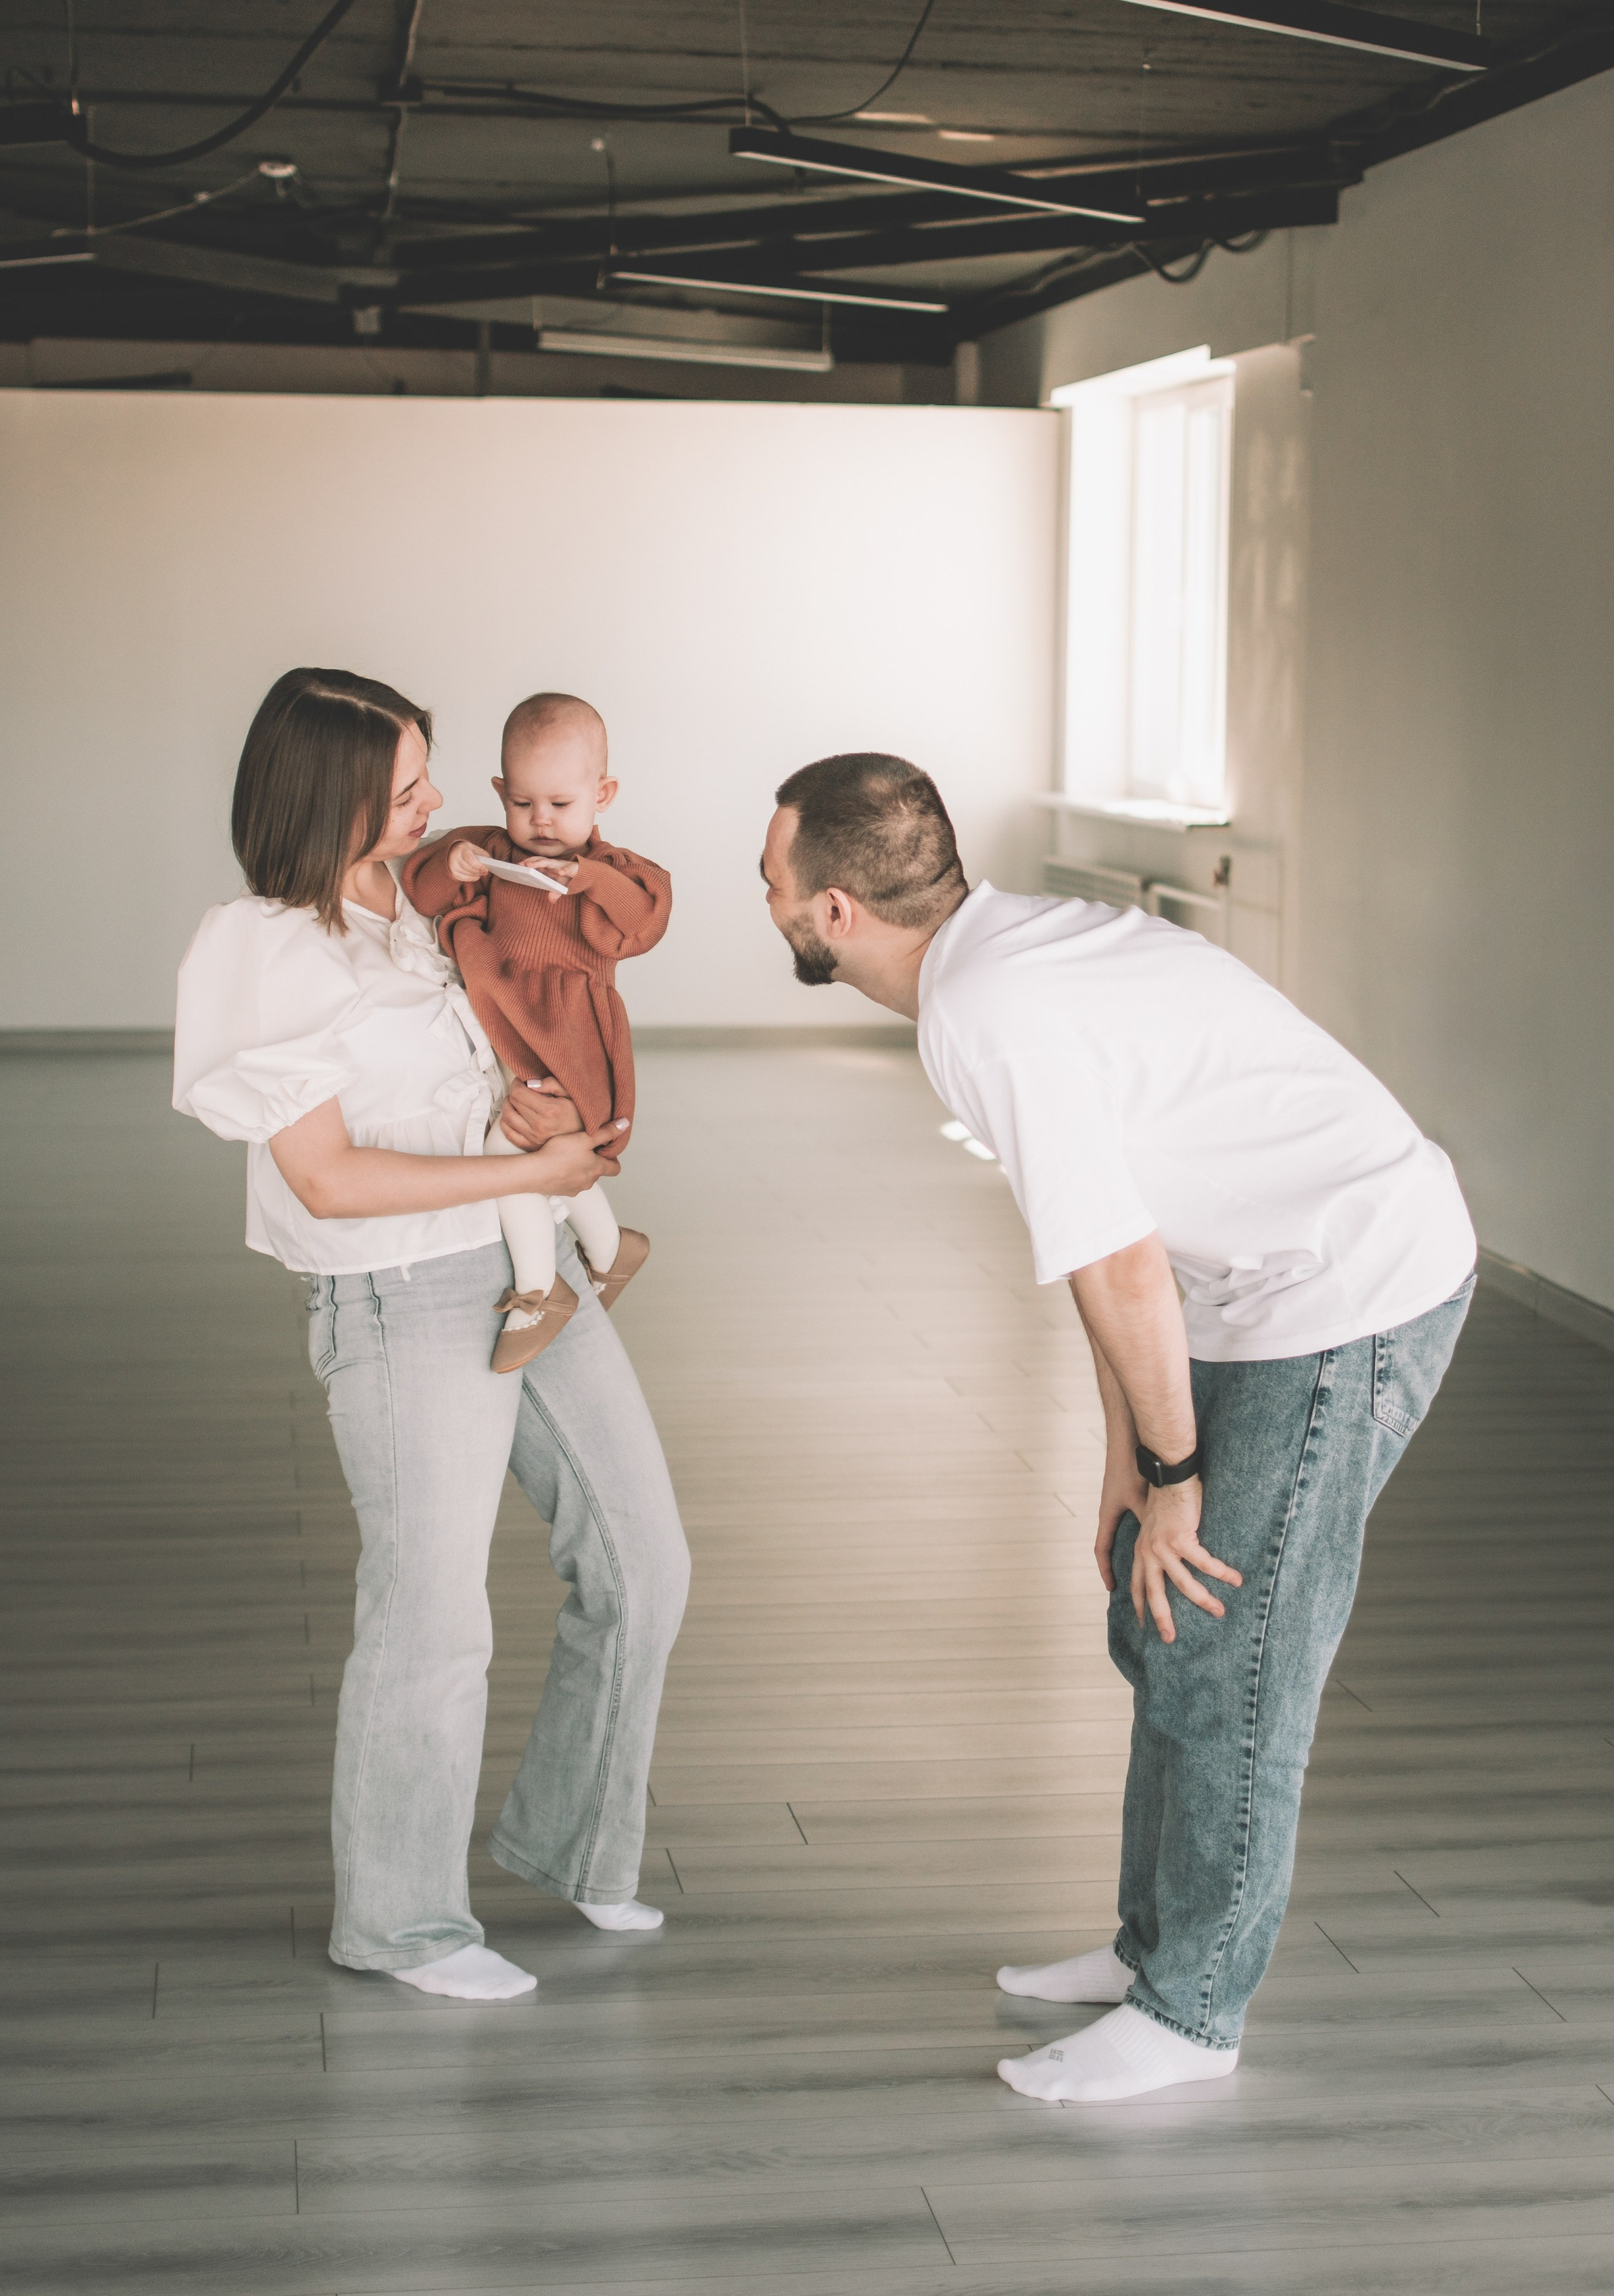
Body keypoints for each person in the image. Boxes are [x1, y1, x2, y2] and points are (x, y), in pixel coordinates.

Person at [760, 752, 1476, 2103]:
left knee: (1225, 1648)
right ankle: (1150, 1947)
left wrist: (1177, 1476)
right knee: (1153, 1621)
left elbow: (1122, 1265)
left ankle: (1193, 2014)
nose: (769, 901)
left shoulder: (984, 1012)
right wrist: (1125, 1466)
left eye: (771, 882)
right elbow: (1112, 1244)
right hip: (1250, 1286)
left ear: (834, 910)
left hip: (1349, 1287)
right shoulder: (994, 965)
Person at [173, 666, 689, 2001]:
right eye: (407, 787)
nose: (439, 801)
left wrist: (529, 1122)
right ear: (329, 796)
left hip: (525, 1267)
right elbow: (327, 1177)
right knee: (432, 1613)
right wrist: (525, 1172)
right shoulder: (262, 946)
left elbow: (489, 1066)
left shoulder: (422, 910)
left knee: (643, 1563)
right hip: (400, 1294)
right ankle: (401, 1923)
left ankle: (575, 1845)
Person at [404, 690, 670, 1370]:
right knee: (548, 1149)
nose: (541, 820)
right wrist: (452, 866)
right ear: (501, 792)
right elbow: (423, 892)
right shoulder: (489, 852)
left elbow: (645, 921)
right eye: (523, 803)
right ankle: (611, 1250)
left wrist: (587, 881)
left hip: (572, 1038)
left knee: (512, 1155)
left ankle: (539, 1289)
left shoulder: (611, 873)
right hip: (514, 1032)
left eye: (561, 803)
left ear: (602, 794)